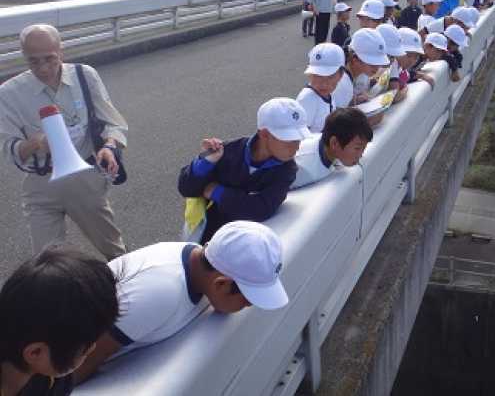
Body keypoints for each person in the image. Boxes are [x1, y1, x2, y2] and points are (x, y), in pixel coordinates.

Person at [74, 221, 289, 384]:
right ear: (221, 285)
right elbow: (80, 362)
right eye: (249, 298)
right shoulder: (159, 294)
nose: (249, 306)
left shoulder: (199, 258)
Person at [0, 24, 128, 260]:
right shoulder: (9, 93)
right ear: (24, 57)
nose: (43, 68)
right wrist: (35, 143)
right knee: (48, 261)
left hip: (85, 179)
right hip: (41, 184)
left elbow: (113, 122)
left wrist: (110, 146)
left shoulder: (84, 75)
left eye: (49, 58)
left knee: (113, 250)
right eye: (33, 61)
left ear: (61, 51)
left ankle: (127, 288)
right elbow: (9, 149)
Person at [177, 98, 309, 243]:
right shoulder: (228, 150)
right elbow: (186, 188)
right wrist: (206, 162)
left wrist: (218, 192)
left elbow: (261, 209)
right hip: (203, 235)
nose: (297, 147)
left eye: (299, 139)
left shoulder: (287, 170)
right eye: (290, 140)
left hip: (239, 243)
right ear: (264, 134)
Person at [0, 246, 119, 396]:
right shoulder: (49, 376)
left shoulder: (52, 380)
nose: (92, 348)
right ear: (36, 352)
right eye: (84, 348)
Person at [291, 108, 373, 189]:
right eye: (357, 148)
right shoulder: (303, 171)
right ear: (335, 143)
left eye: (364, 148)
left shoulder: (328, 148)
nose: (361, 155)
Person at [296, 43, 346, 134]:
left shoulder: (329, 93)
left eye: (330, 76)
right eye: (317, 75)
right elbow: (300, 136)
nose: (323, 83)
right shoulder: (308, 98)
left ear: (341, 74)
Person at [331, 29, 389, 107]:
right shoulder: (342, 84)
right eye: (372, 63)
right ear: (355, 60)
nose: (377, 68)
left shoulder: (345, 76)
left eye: (378, 62)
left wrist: (354, 100)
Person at [368, 24, 408, 103]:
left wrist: (404, 89)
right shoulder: (363, 67)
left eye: (393, 57)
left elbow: (394, 95)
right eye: (389, 56)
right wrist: (405, 89)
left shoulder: (392, 63)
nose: (391, 61)